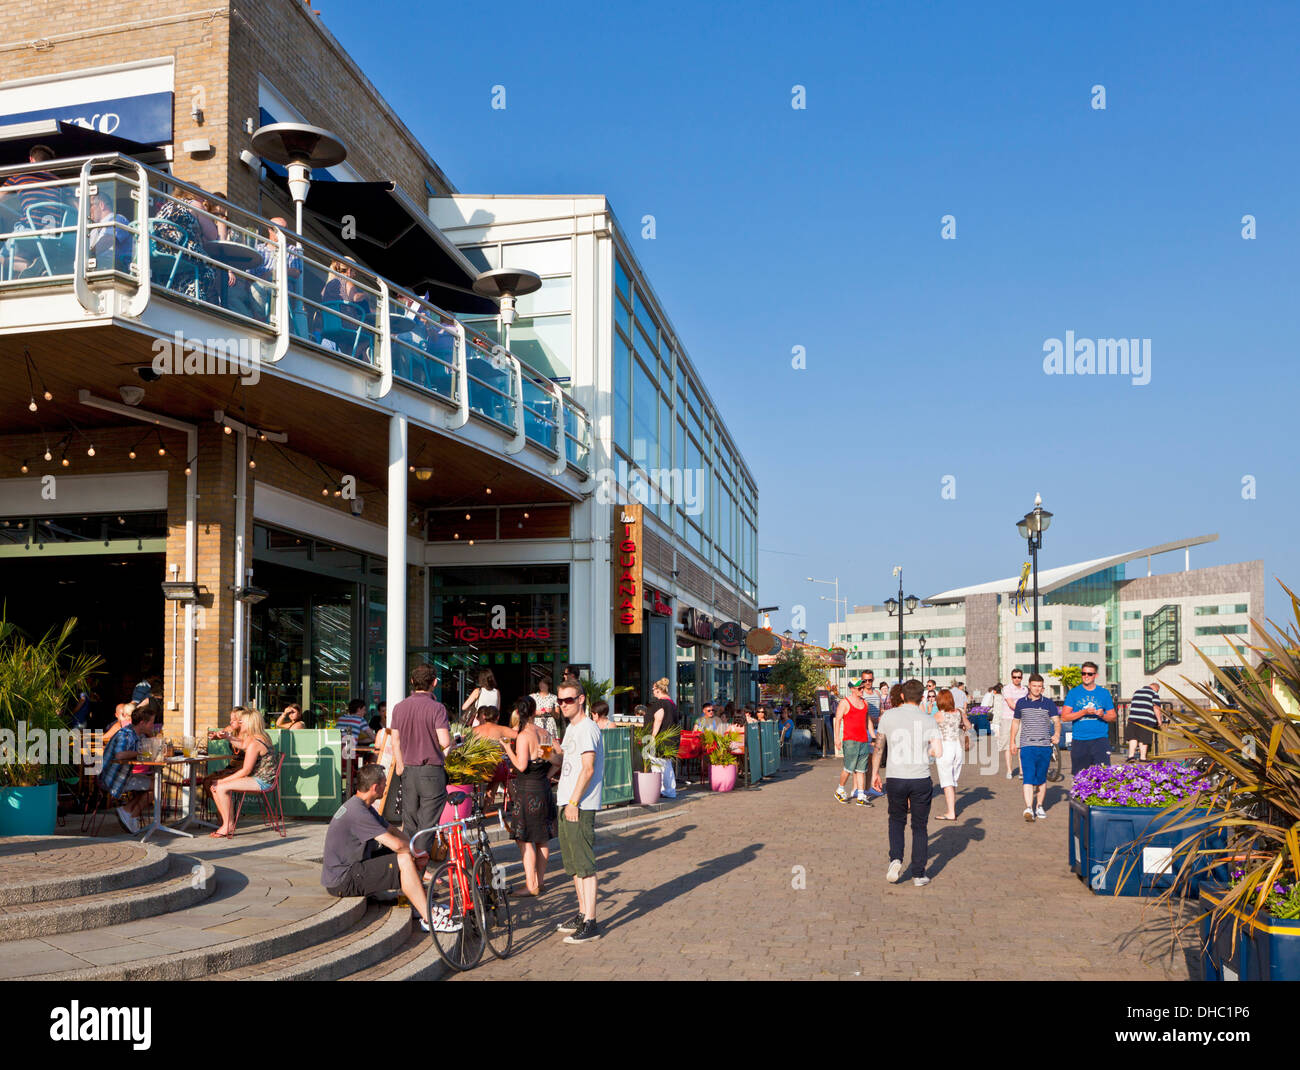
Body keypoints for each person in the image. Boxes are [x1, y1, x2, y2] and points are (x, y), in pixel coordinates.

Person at [320, 763, 459, 934]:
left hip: (353, 867)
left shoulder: (362, 806)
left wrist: (414, 848)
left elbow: (392, 830)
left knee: (406, 854)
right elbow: (396, 845)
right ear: (375, 787)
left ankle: (416, 902)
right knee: (403, 857)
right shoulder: (358, 812)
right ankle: (429, 918)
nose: (386, 787)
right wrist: (417, 853)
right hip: (343, 880)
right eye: (385, 783)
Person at [871, 679, 942, 887]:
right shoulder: (928, 720)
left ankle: (895, 859)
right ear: (922, 697)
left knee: (896, 820)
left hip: (895, 777)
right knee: (919, 826)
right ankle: (919, 873)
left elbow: (879, 747)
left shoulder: (889, 716)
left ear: (902, 696)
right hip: (920, 778)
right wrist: (925, 752)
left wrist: (875, 773)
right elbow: (938, 752)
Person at [553, 680, 604, 943]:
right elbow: (569, 763)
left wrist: (573, 802)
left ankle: (591, 921)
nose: (563, 705)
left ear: (581, 699)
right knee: (573, 864)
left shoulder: (586, 728)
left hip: (580, 805)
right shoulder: (572, 729)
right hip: (568, 802)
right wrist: (551, 756)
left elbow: (588, 768)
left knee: (584, 864)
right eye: (560, 701)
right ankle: (583, 912)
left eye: (569, 700)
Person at [500, 697, 559, 897]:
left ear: (518, 712)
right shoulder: (543, 733)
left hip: (527, 792)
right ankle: (540, 882)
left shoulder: (523, 736)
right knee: (542, 839)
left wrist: (508, 748)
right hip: (543, 788)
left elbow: (522, 765)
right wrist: (547, 777)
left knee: (525, 839)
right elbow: (558, 760)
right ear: (534, 712)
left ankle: (530, 884)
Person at [390, 663, 452, 845]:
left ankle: (408, 865)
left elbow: (395, 740)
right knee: (428, 823)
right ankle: (419, 866)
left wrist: (400, 766)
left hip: (408, 770)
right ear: (434, 682)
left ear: (411, 681)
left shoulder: (399, 707)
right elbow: (445, 741)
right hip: (431, 771)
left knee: (409, 823)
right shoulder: (437, 708)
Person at [210, 707, 278, 838]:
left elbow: (245, 770)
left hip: (262, 781)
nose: (239, 724)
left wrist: (222, 781)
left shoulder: (255, 742)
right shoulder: (259, 736)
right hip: (260, 778)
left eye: (242, 722)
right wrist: (229, 737)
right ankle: (227, 823)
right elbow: (242, 744)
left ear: (251, 724)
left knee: (220, 787)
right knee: (216, 788)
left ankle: (228, 825)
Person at [98, 701, 157, 833]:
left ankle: (127, 811)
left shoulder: (136, 734)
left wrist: (150, 734)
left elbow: (153, 748)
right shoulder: (126, 734)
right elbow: (119, 755)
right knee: (157, 787)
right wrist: (140, 753)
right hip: (112, 779)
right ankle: (131, 814)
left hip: (123, 775)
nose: (153, 725)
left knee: (155, 784)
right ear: (142, 723)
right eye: (151, 723)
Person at [1011, 673, 1060, 821]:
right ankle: (1028, 807)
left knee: (1041, 779)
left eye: (1040, 686)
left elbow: (1057, 722)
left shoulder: (1048, 703)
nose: (1037, 689)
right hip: (1027, 745)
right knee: (1028, 777)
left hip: (1044, 745)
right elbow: (1015, 722)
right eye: (1034, 686)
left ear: (1043, 688)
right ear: (1029, 686)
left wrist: (1057, 734)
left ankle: (1039, 806)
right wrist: (1012, 741)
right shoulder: (1021, 703)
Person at [1060, 661, 1117, 777]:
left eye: (1089, 674)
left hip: (1100, 739)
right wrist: (1084, 712)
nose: (1086, 676)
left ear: (1096, 675)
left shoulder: (1104, 693)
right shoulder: (1074, 693)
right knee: (1079, 777)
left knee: (1103, 776)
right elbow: (1065, 717)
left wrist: (1102, 715)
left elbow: (1113, 717)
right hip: (1080, 739)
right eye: (1083, 673)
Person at [833, 677, 875, 805]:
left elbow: (868, 721)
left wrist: (873, 737)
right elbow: (838, 720)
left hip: (863, 740)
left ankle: (861, 796)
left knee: (862, 769)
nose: (862, 690)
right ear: (852, 689)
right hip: (850, 740)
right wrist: (837, 739)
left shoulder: (865, 703)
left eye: (863, 687)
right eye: (859, 688)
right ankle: (840, 790)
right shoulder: (845, 703)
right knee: (849, 768)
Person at [932, 688, 970, 820]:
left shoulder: (939, 715)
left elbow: (928, 729)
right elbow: (969, 726)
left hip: (945, 746)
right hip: (957, 747)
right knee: (952, 780)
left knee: (946, 780)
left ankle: (950, 812)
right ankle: (951, 809)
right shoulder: (959, 712)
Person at [87, 189, 134, 274]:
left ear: (101, 205)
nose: (89, 210)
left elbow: (107, 240)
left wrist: (86, 255)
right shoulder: (94, 230)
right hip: (100, 266)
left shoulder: (117, 219)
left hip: (119, 268)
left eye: (91, 205)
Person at [1126, 681, 1163, 762]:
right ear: (1156, 689)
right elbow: (1156, 708)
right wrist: (1159, 720)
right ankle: (1142, 757)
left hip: (1133, 718)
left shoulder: (1137, 692)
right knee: (1144, 739)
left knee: (1133, 737)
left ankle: (1131, 756)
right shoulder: (1154, 693)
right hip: (1146, 719)